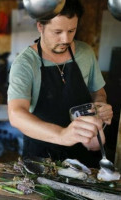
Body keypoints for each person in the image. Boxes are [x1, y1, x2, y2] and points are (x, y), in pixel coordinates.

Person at [7, 0, 113, 167]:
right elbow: (16, 114)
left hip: (84, 154)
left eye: (71, 30)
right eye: (57, 32)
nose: (66, 39)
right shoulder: (25, 63)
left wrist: (100, 106)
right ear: (40, 26)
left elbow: (98, 92)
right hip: (43, 156)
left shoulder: (86, 53)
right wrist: (63, 135)